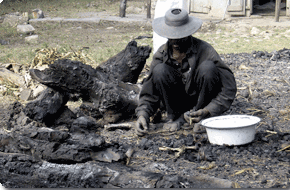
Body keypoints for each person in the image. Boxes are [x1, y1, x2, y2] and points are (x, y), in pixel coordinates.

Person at [135, 8, 237, 136]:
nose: (176, 41)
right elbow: (149, 93)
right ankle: (174, 117)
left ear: (189, 33)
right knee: (160, 70)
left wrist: (209, 110)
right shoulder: (161, 55)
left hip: (201, 103)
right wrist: (143, 115)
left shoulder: (205, 50)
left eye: (180, 36)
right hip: (175, 103)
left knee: (208, 68)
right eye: (172, 37)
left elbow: (228, 87)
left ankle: (200, 118)